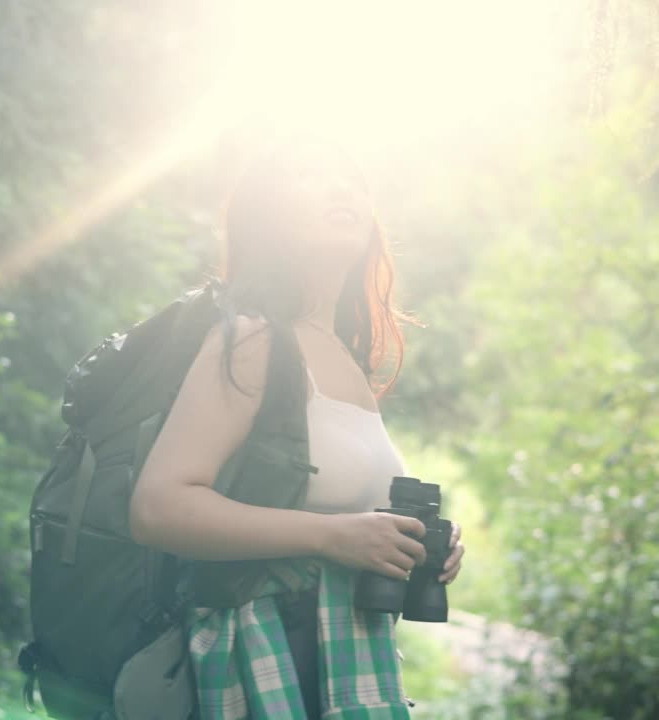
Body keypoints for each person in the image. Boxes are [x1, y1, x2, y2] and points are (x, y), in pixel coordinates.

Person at [129, 133, 465, 719]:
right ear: (270, 215)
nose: (343, 189)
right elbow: (158, 508)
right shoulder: (255, 338)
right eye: (311, 176)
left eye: (353, 180)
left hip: (347, 662)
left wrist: (418, 546)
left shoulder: (344, 356)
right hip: (270, 659)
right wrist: (333, 537)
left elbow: (346, 519)